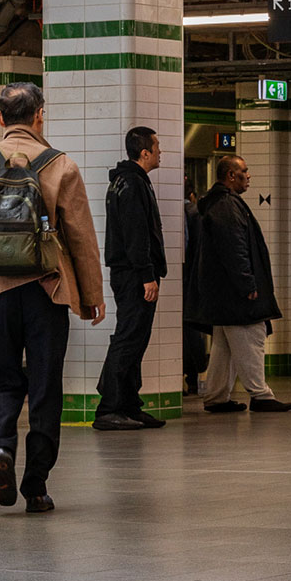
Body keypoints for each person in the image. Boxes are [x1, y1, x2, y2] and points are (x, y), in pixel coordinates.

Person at [0, 81, 104, 514]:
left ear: (0, 119)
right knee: (44, 385)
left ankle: (2, 448)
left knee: (2, 380)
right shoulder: (61, 165)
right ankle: (36, 484)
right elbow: (81, 237)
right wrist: (90, 294)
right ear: (40, 115)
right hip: (48, 290)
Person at [192, 154, 291, 415]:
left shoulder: (219, 203)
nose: (248, 176)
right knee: (252, 337)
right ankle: (260, 394)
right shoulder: (226, 205)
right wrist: (247, 283)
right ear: (230, 176)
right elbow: (235, 248)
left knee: (223, 346)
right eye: (244, 172)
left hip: (221, 292)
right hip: (234, 292)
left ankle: (216, 396)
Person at [94, 127, 168, 432]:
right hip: (134, 276)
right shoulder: (133, 184)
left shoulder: (125, 182)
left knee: (134, 339)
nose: (161, 152)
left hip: (129, 274)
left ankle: (128, 404)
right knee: (128, 339)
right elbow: (137, 234)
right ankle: (110, 407)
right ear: (145, 152)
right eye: (157, 147)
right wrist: (147, 276)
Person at [183, 174, 207, 397]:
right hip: (192, 278)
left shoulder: (183, 213)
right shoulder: (194, 213)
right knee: (191, 329)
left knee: (185, 330)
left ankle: (191, 376)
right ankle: (197, 373)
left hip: (181, 278)